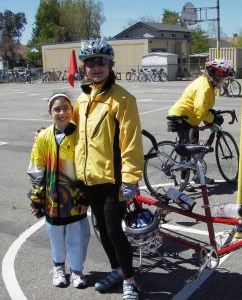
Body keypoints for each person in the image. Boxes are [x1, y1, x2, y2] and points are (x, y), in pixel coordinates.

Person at [73, 38, 144, 299]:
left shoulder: (123, 99)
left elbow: (131, 141)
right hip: (89, 178)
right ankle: (116, 269)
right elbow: (75, 136)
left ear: (110, 64)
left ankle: (129, 280)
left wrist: (131, 178)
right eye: (90, 62)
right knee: (101, 229)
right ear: (84, 67)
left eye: (101, 61)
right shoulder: (83, 98)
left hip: (114, 179)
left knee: (114, 230)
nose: (96, 67)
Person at [27, 93, 90, 289]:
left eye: (66, 108)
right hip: (52, 200)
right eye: (57, 109)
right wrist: (37, 199)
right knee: (55, 236)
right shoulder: (44, 137)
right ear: (50, 112)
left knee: (76, 236)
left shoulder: (80, 134)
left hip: (74, 199)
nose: (62, 112)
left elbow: (86, 168)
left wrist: (84, 197)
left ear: (72, 111)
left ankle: (77, 271)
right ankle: (59, 268)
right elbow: (37, 168)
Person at [167, 58, 232, 189]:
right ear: (216, 75)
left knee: (195, 149)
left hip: (191, 118)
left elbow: (203, 108)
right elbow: (200, 111)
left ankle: (198, 176)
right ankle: (183, 181)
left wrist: (212, 114)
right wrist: (213, 119)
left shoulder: (208, 84)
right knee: (186, 150)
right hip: (182, 117)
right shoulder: (204, 87)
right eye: (223, 78)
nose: (224, 81)